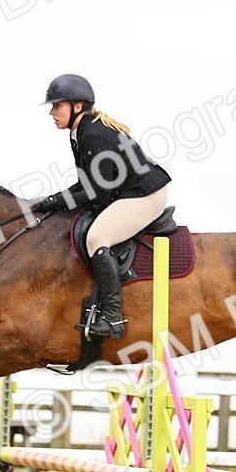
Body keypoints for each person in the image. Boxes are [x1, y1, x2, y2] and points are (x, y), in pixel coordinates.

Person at [31, 74, 171, 338]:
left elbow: (97, 192)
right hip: (128, 191)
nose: (51, 112)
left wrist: (55, 202)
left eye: (57, 106)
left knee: (97, 237)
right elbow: (87, 183)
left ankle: (113, 318)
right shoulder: (80, 131)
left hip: (145, 195)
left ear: (78, 106)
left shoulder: (94, 134)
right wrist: (51, 200)